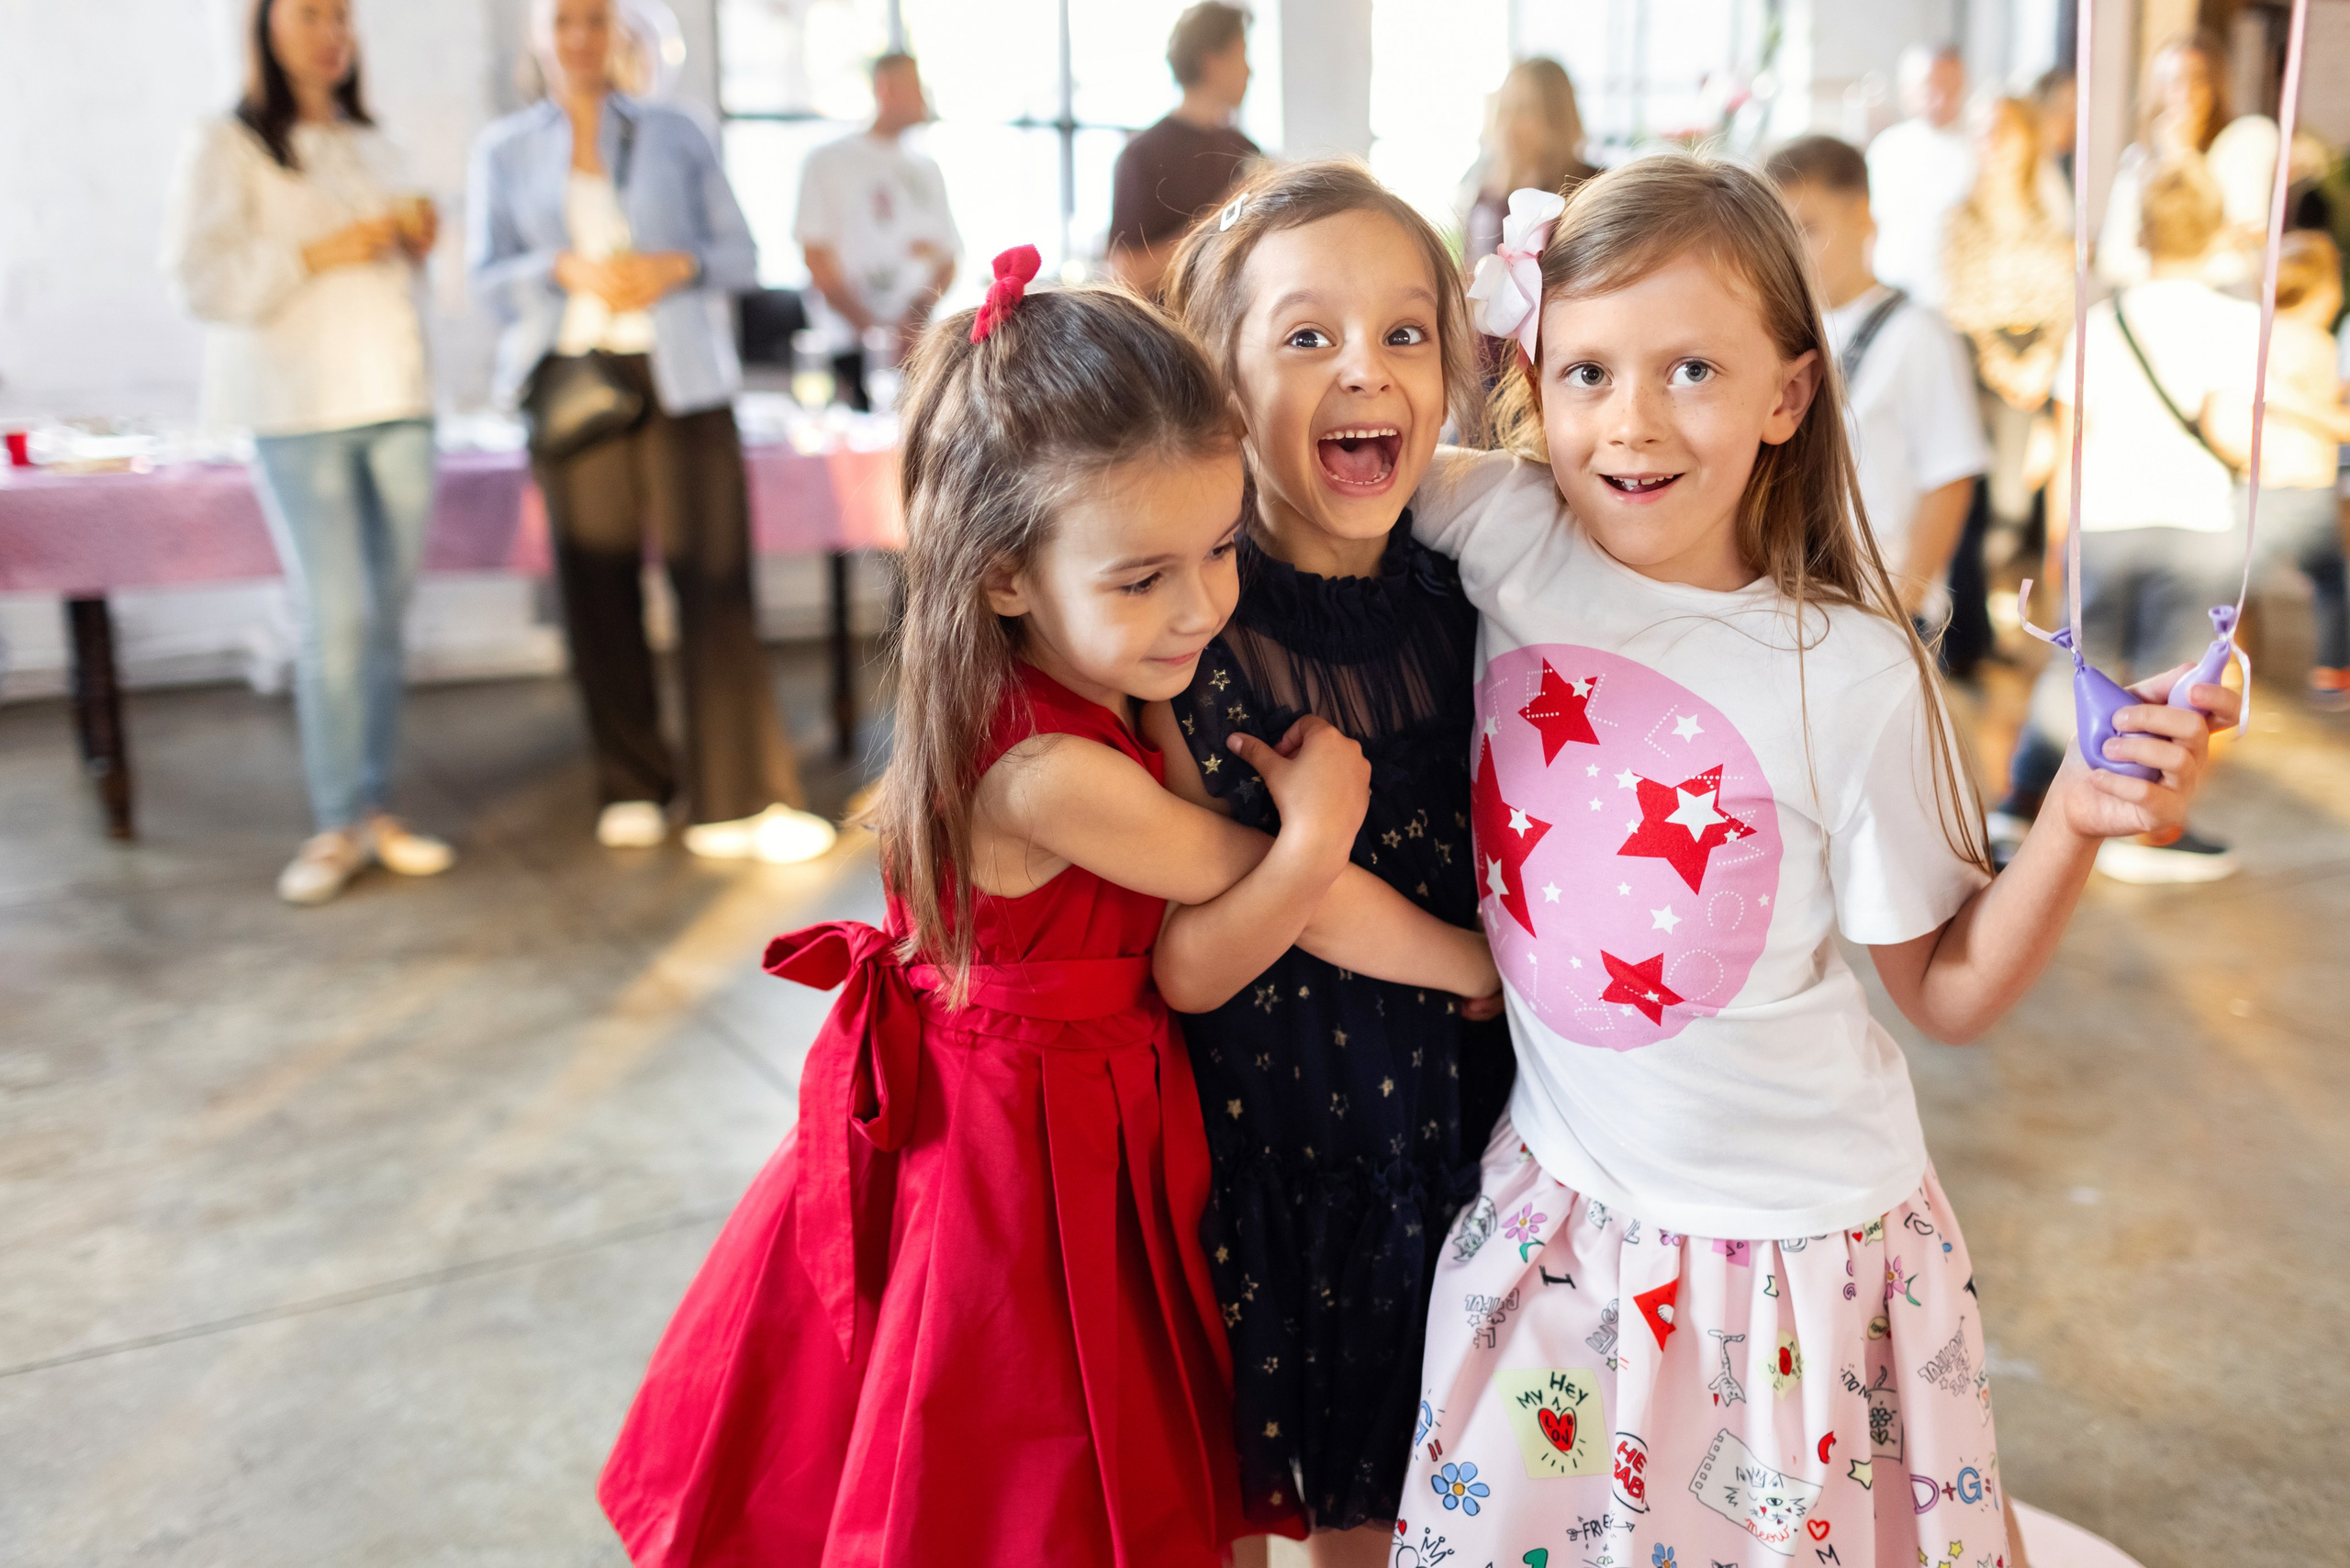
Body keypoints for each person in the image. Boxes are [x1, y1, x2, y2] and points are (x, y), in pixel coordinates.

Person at [1393, 153, 2232, 1568]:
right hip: (1563, 1209)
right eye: (1587, 370)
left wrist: (2080, 820)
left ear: (1789, 393)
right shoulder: (1500, 525)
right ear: (1532, 374)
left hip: (1793, 1260)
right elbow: (1310, 468)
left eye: (1693, 371)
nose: (1631, 420)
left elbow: (1950, 995)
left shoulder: (1846, 675)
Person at [595, 263, 1502, 1566]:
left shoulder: (1079, 669)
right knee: (1023, 1463)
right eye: (1143, 579)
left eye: (1218, 549)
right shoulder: (1048, 772)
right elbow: (1287, 899)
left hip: (1089, 1112)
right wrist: (1403, 901)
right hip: (1017, 1158)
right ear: (1007, 575)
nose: (1200, 607)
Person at [1157, 161, 1513, 1565]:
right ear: (1224, 385)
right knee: (1284, 1491)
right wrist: (1475, 966)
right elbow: (1265, 891)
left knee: (1432, 1475)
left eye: (1403, 333)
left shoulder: (1468, 586)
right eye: (1306, 337)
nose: (1364, 369)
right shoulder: (1200, 617)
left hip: (1462, 1122)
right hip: (1290, 1127)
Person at [470, 0, 834, 863]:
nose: (579, 38)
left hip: (682, 380)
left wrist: (676, 265)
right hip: (573, 379)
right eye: (563, 22)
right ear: (541, 39)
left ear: (620, 34)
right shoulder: (505, 150)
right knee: (596, 591)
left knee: (714, 585)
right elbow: (485, 275)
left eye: (595, 20)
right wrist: (558, 266)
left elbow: (741, 255)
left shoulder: (677, 133)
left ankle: (738, 802)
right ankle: (632, 782)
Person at [162, 0, 454, 906]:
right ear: (264, 26)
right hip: (298, 410)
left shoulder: (376, 140)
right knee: (335, 619)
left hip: (397, 401)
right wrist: (320, 249)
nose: (329, 30)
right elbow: (199, 277)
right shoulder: (225, 143)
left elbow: (406, 272)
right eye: (308, 12)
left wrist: (417, 240)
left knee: (386, 617)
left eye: (341, 14)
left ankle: (375, 805)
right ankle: (335, 819)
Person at [1992, 155, 2255, 882]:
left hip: (2102, 517)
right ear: (2216, 230)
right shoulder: (2239, 324)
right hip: (2195, 519)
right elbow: (2233, 434)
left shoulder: (2101, 325)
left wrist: (2056, 538)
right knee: (2178, 679)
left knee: (2077, 663)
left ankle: (2019, 801)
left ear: (2141, 232)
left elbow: (2071, 440)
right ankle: (2149, 826)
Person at [1769, 135, 1986, 633]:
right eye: (1778, 231)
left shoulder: (1917, 334)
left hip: (1878, 605)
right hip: (1797, 601)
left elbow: (1949, 481)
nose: (1790, 249)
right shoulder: (1785, 331)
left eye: (1807, 229)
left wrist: (1903, 605)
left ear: (1864, 219)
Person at [2204, 230, 2350, 707]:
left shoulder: (2256, 335)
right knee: (2330, 582)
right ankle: (2332, 669)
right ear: (2322, 291)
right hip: (2307, 486)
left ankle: (2224, 663)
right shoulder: (2317, 344)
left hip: (2259, 480)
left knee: (2236, 580)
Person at [1941, 97, 2076, 611]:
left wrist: (2042, 360)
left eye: (2002, 131)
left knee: (2014, 503)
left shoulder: (2047, 212)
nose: (1991, 143)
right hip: (1979, 360)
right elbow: (1962, 302)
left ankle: (1994, 614)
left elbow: (2065, 294)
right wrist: (2004, 367)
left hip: (2035, 356)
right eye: (1981, 131)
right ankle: (1970, 622)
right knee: (1972, 502)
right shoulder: (1960, 215)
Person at [793, 52, 960, 412]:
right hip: (846, 347)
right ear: (884, 88)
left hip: (915, 347)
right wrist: (873, 332)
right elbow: (815, 256)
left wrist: (911, 322)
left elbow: (949, 258)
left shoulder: (927, 170)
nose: (923, 98)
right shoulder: (828, 162)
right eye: (914, 86)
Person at [1108, 2, 1258, 297]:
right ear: (1213, 62)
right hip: (1172, 338)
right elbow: (1127, 276)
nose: (1250, 72)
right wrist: (1222, 217)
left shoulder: (1246, 150)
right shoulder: (1142, 156)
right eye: (1242, 57)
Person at [2096, 28, 2231, 289]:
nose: (2184, 94)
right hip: (2148, 304)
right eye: (2171, 82)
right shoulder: (2137, 160)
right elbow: (2112, 260)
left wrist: (2183, 155)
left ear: (2215, 87)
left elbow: (2236, 263)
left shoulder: (2233, 150)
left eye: (2196, 80)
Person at [1863, 43, 1974, 309]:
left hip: (1956, 303)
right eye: (1929, 86)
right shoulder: (1886, 149)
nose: (1940, 97)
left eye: (1950, 86)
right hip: (1889, 298)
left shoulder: (1978, 151)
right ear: (1906, 89)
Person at [1460, 58, 1597, 269]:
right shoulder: (1487, 199)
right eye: (1505, 108)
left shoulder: (1592, 190)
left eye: (1524, 110)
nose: (1509, 123)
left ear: (1557, 117)